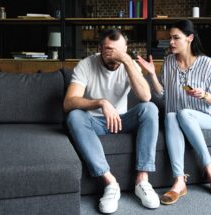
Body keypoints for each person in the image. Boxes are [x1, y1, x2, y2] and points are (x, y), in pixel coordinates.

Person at [64, 29, 160, 214]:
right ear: (100, 48)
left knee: (150, 108)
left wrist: (126, 61)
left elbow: (145, 96)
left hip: (122, 120)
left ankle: (142, 181)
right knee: (74, 115)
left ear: (125, 49)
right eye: (108, 50)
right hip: (95, 122)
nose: (113, 55)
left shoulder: (128, 63)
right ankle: (110, 183)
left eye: (118, 51)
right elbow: (68, 102)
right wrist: (101, 102)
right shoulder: (86, 64)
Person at [137, 19, 211, 205]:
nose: (171, 42)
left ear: (190, 38)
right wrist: (152, 75)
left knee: (184, 113)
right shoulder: (168, 62)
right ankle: (178, 181)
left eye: (176, 38)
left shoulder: (206, 63)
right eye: (170, 38)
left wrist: (203, 95)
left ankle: (210, 169)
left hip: (204, 117)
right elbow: (162, 96)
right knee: (171, 115)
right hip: (175, 118)